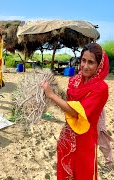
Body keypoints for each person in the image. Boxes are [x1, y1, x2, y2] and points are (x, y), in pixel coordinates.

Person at [41, 43, 109, 179]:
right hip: (67, 136)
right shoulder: (75, 81)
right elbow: (67, 104)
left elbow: (77, 113)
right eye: (83, 60)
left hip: (85, 140)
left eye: (91, 62)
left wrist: (52, 95)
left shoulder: (101, 88)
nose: (85, 66)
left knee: (83, 174)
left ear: (99, 66)